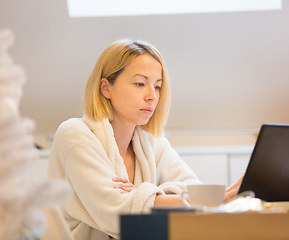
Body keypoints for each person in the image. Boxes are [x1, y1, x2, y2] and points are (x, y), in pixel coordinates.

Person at [48, 39, 242, 240]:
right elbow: (117, 215)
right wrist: (157, 198)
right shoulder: (74, 134)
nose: (152, 96)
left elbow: (191, 187)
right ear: (106, 88)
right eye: (140, 84)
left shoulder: (152, 142)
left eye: (157, 86)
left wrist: (144, 194)